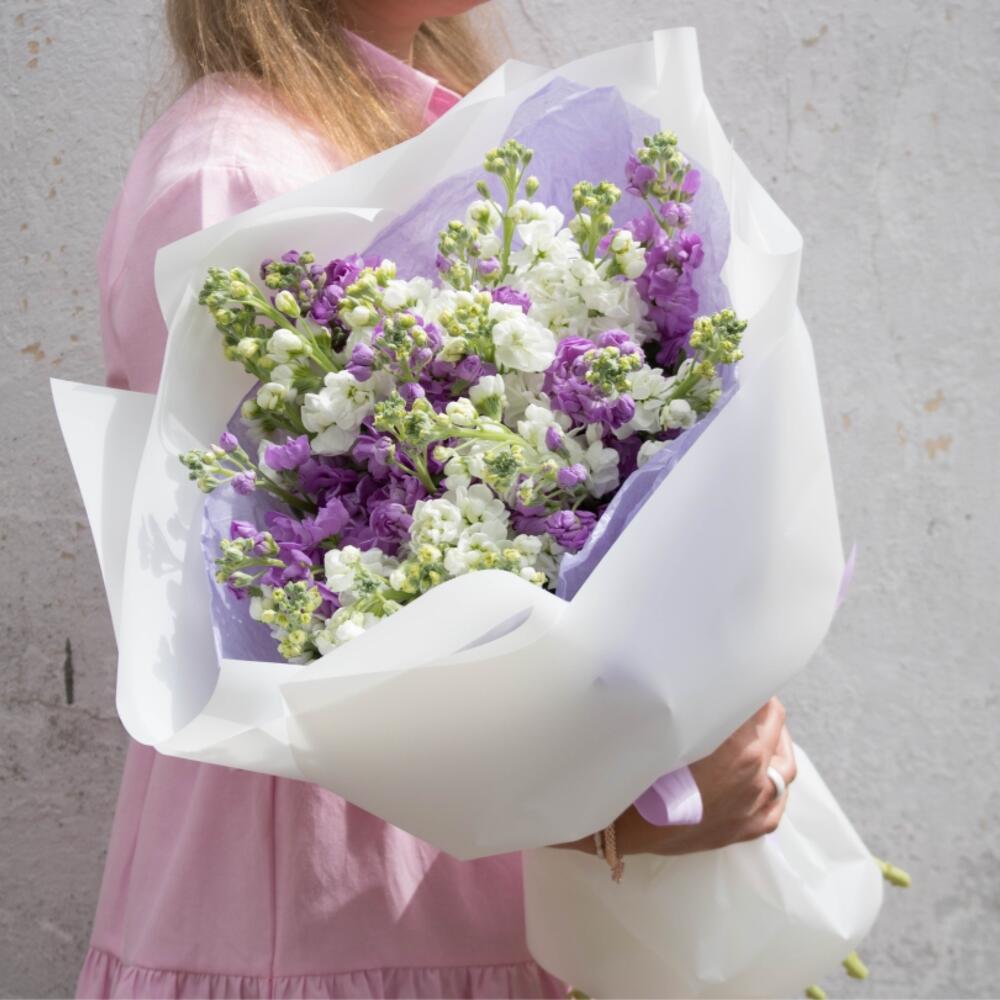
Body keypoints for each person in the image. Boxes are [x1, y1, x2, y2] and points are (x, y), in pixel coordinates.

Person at [77, 2, 798, 996]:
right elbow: (288, 647)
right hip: (333, 927)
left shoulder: (426, 124)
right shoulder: (236, 174)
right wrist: (621, 816)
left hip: (480, 910)